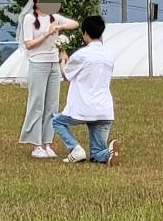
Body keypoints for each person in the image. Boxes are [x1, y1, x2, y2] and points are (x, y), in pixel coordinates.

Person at [17, 0, 80, 158]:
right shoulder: (30, 19)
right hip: (38, 64)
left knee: (52, 105)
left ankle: (47, 143)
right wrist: (46, 34)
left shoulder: (54, 17)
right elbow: (28, 44)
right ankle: (36, 144)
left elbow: (74, 23)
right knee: (37, 103)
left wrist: (59, 28)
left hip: (53, 64)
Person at [52, 15, 121, 164]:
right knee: (96, 153)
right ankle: (108, 153)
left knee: (57, 121)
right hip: (104, 110)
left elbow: (67, 74)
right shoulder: (109, 55)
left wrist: (63, 58)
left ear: (85, 34)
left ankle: (76, 149)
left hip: (83, 107)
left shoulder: (82, 54)